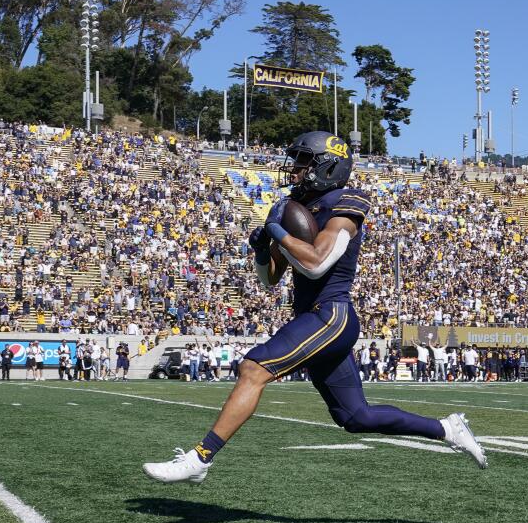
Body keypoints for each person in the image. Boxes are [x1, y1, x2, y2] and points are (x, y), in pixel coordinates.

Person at [143, 131, 485, 483]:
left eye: (303, 161)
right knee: (356, 417)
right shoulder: (297, 205)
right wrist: (264, 250)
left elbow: (317, 263)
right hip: (313, 316)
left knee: (253, 368)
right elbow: (271, 278)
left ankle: (201, 458)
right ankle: (446, 428)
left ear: (326, 166)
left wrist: (278, 232)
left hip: (331, 315)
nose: (293, 168)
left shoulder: (345, 204)